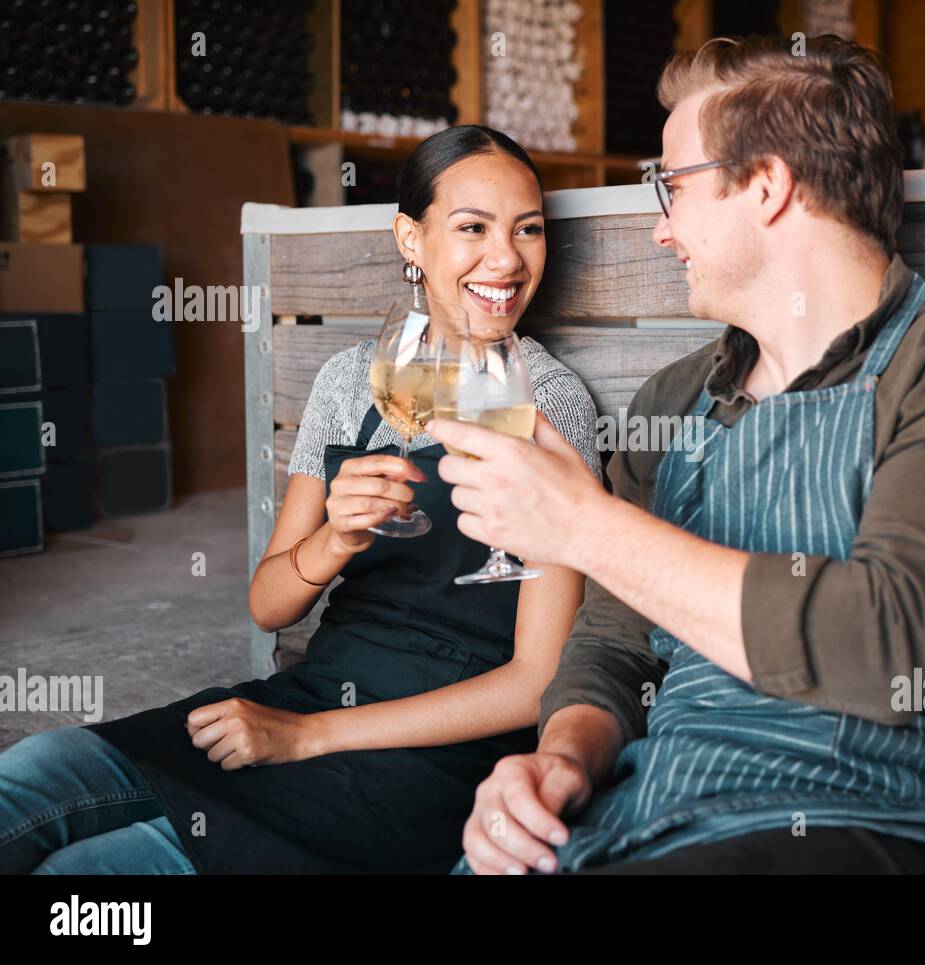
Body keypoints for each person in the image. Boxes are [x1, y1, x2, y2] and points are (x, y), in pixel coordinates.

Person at [429, 36, 925, 875]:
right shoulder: (676, 399)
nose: (660, 229)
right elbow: (615, 646)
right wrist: (562, 757)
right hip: (662, 802)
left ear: (766, 186)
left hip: (876, 818)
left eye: (671, 184)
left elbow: (889, 641)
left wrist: (585, 526)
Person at [0, 125, 601, 875]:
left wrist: (307, 736)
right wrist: (335, 541)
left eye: (528, 230)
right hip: (316, 686)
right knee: (37, 769)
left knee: (90, 875)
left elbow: (536, 678)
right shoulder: (352, 381)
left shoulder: (549, 401)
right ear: (409, 240)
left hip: (434, 752)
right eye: (473, 228)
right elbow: (269, 603)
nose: (507, 258)